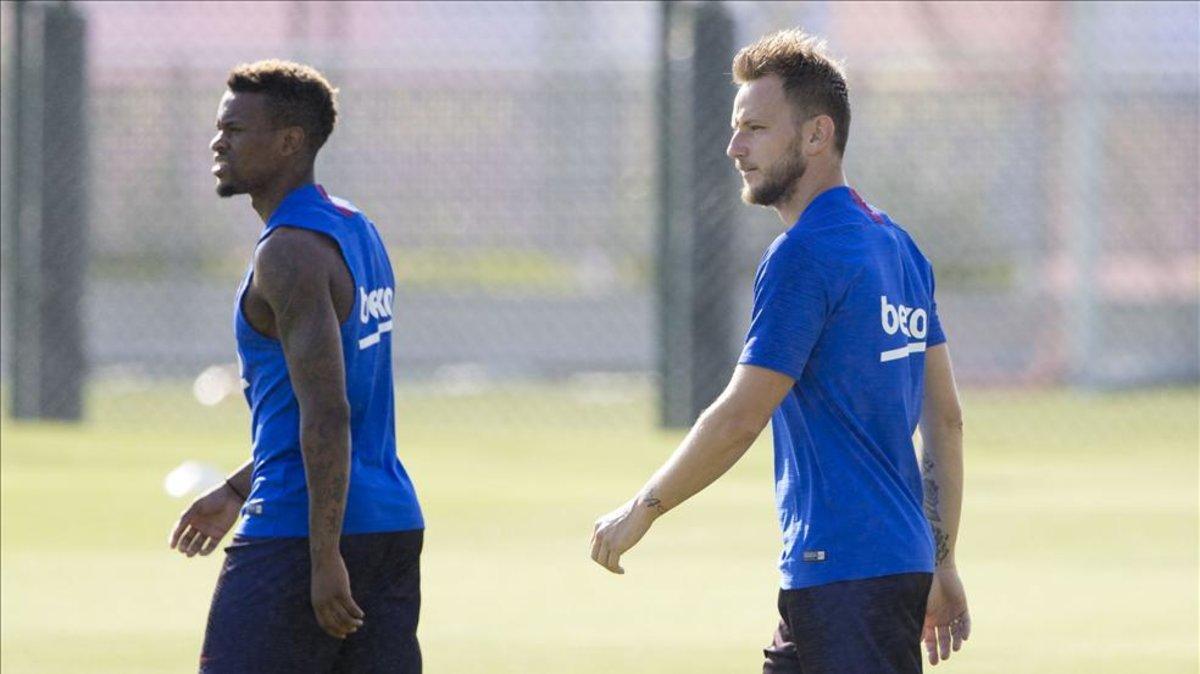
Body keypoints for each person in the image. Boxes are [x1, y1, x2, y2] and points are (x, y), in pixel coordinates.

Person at [590, 29, 970, 673]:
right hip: (871, 570)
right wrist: (942, 560)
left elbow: (741, 416)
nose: (734, 148)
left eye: (756, 129)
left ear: (817, 135)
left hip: (845, 576)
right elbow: (947, 420)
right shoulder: (899, 247)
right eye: (736, 129)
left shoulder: (804, 254)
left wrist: (642, 509)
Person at [167, 60, 424, 673]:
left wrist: (323, 556)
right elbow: (339, 402)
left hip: (298, 530)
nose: (218, 143)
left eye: (235, 130)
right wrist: (237, 487)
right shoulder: (354, 228)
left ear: (289, 141)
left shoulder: (288, 252)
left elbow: (329, 412)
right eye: (219, 128)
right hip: (389, 525)